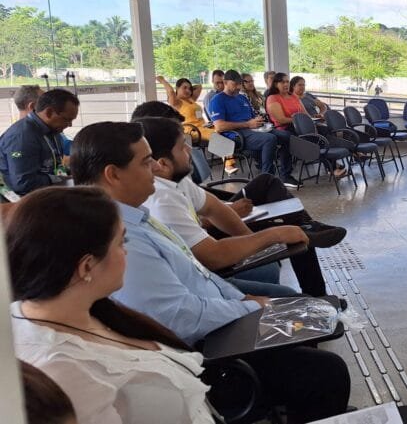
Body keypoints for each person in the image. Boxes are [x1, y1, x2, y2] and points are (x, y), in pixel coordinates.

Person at [68, 127, 351, 422]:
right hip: (206, 353)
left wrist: (242, 298)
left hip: (216, 320)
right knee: (327, 371)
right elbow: (177, 317)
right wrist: (247, 306)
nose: (154, 168)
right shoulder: (122, 238)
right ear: (113, 174)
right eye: (145, 162)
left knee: (303, 325)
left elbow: (198, 272)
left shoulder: (138, 217)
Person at [8, 187, 214, 423]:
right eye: (121, 242)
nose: (126, 253)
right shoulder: (61, 371)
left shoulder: (87, 311)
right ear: (87, 266)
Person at [136, 116, 343, 297]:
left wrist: (253, 240)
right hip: (201, 271)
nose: (190, 150)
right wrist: (273, 236)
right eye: (183, 146)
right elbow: (212, 257)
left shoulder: (176, 180)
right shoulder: (162, 200)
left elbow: (214, 208)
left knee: (272, 191)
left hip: (204, 244)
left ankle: (305, 228)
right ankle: (306, 231)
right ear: (162, 164)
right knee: (288, 239)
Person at [209, 69, 295, 184]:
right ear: (225, 82)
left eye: (240, 84)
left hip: (253, 129)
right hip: (236, 135)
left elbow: (253, 116)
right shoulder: (217, 100)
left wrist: (258, 121)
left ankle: (285, 175)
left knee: (286, 136)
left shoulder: (242, 98)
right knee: (269, 139)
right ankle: (266, 179)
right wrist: (248, 124)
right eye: (235, 84)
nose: (238, 87)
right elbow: (219, 126)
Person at [0, 89, 79, 195]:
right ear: (49, 112)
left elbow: (53, 166)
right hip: (22, 198)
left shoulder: (53, 130)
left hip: (47, 191)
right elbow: (23, 183)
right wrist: (56, 179)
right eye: (67, 119)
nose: (70, 125)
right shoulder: (22, 137)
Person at [266, 75, 345, 178]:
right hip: (287, 127)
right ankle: (332, 166)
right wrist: (300, 120)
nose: (286, 84)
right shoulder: (273, 98)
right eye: (282, 82)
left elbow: (306, 115)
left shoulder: (293, 97)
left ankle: (332, 162)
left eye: (287, 82)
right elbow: (281, 119)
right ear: (276, 84)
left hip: (302, 125)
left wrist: (311, 121)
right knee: (314, 138)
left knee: (325, 130)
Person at [156, 75, 237, 174]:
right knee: (216, 135)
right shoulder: (176, 102)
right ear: (177, 88)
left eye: (189, 88)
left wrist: (187, 89)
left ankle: (229, 156)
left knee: (224, 130)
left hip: (204, 127)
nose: (188, 90)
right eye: (184, 88)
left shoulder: (191, 99)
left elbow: (199, 87)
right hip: (192, 130)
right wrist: (162, 80)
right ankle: (228, 165)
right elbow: (170, 92)